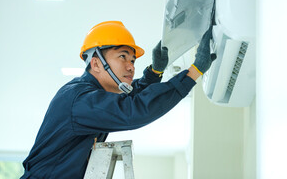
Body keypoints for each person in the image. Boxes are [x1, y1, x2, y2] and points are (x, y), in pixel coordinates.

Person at [21, 21, 215, 178]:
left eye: (132, 60)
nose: (131, 67)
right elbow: (132, 110)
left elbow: (129, 98)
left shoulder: (91, 94)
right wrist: (192, 73)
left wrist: (154, 73)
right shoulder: (78, 98)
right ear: (96, 63)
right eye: (123, 56)